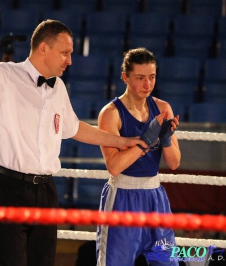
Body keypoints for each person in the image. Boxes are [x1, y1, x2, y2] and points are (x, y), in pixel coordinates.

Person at [0, 20, 147, 266]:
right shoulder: (5, 74)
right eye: (65, 53)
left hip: (45, 190)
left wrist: (122, 141)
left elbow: (74, 128)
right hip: (8, 187)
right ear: (44, 48)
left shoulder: (59, 88)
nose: (70, 61)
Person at [95, 47, 181, 266]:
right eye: (140, 78)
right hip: (123, 197)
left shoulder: (162, 108)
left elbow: (174, 163)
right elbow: (114, 166)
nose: (147, 85)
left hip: (156, 197)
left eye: (151, 77)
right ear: (125, 77)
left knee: (166, 263)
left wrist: (166, 139)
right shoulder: (111, 114)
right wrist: (146, 139)